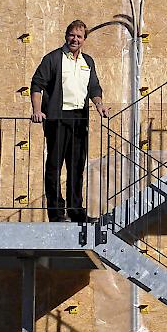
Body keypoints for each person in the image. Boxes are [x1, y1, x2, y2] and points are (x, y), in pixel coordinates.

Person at [31, 20, 108, 222]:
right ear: (66, 36)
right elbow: (37, 84)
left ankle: (76, 211)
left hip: (79, 120)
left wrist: (99, 105)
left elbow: (94, 88)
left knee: (76, 167)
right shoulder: (53, 58)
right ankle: (56, 212)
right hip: (57, 117)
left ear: (84, 40)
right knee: (55, 166)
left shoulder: (88, 62)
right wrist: (37, 110)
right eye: (72, 35)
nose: (75, 39)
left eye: (79, 36)